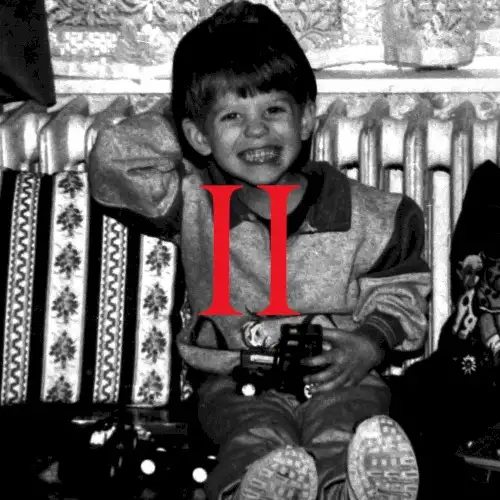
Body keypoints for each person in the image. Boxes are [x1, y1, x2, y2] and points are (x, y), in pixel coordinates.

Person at [88, 1, 431, 499]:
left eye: (274, 110)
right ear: (197, 135)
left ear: (306, 118)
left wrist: (371, 343)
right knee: (257, 439)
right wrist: (192, 108)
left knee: (345, 431)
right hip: (236, 383)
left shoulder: (373, 214)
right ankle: (251, 491)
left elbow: (402, 290)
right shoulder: (194, 202)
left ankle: (352, 491)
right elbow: (114, 161)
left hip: (343, 379)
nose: (257, 130)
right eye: (232, 116)